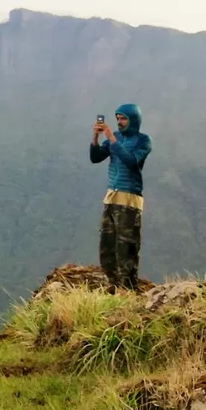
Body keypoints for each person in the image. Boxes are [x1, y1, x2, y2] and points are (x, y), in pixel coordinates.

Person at [90, 104, 152, 291]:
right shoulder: (114, 139)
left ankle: (128, 288)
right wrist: (95, 137)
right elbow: (95, 158)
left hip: (129, 199)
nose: (119, 122)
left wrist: (110, 137)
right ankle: (113, 284)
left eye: (123, 118)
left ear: (133, 119)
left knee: (126, 246)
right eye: (117, 118)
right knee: (107, 244)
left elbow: (131, 161)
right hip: (111, 197)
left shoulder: (143, 140)